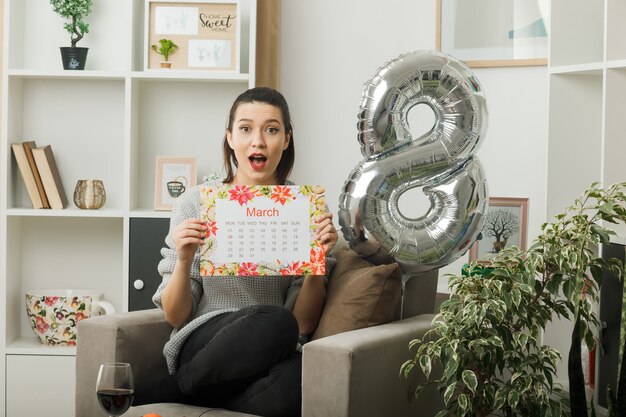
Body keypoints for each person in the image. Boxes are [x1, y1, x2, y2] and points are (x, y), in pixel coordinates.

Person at [134, 87, 338, 417]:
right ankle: (177, 385)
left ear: (286, 139)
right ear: (230, 138)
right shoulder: (198, 202)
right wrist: (185, 259)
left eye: (271, 130)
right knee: (273, 320)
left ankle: (186, 393)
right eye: (245, 129)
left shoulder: (306, 209)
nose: (257, 141)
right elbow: (175, 316)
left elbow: (302, 324)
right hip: (207, 343)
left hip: (272, 346)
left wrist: (317, 263)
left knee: (299, 372)